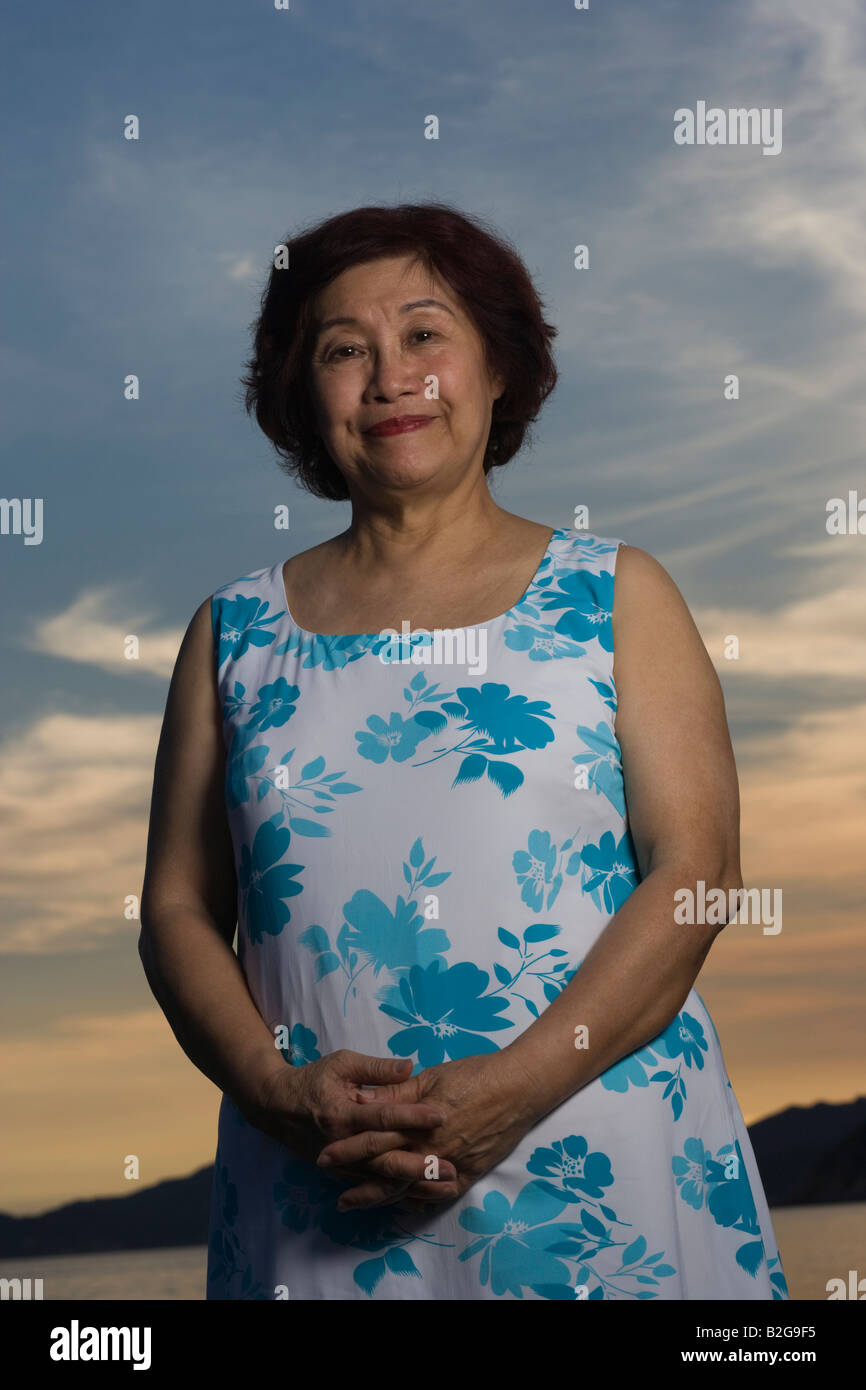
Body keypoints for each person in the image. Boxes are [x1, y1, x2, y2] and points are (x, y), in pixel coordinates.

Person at [139, 201, 789, 1301]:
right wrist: (270, 1088)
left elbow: (696, 878)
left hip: (595, 1170)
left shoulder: (617, 595)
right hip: (315, 1183)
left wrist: (507, 1098)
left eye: (425, 333)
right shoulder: (231, 634)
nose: (390, 376)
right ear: (305, 392)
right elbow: (176, 909)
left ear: (500, 368)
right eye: (345, 349)